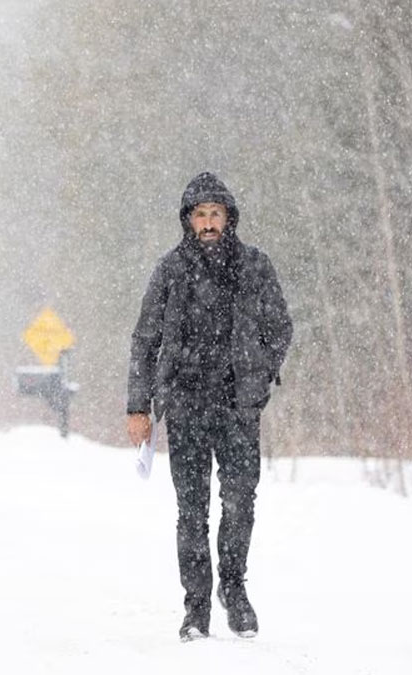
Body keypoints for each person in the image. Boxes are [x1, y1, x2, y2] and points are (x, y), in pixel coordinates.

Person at [126, 172, 292, 642]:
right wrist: (138, 405)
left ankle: (234, 590)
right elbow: (144, 340)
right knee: (192, 509)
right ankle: (196, 606)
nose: (208, 223)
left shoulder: (255, 266)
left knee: (240, 502)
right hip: (186, 404)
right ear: (187, 221)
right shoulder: (170, 270)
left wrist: (259, 375)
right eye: (200, 215)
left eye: (216, 213)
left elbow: (281, 327)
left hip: (239, 405)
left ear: (229, 217)